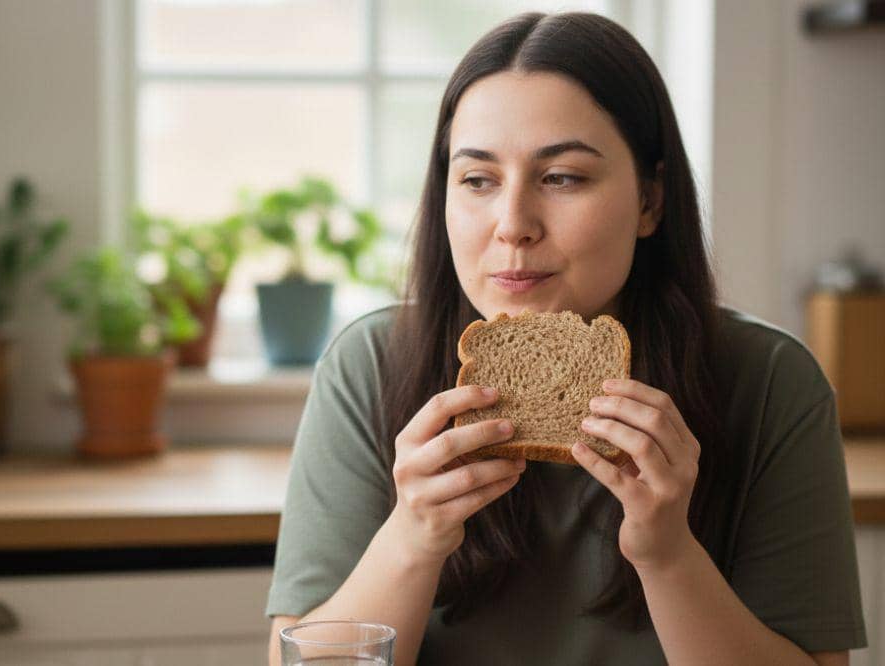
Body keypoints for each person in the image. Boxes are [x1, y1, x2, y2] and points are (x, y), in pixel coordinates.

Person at [265, 11, 867, 666]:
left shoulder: (772, 381)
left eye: (562, 177)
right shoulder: (370, 366)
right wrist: (412, 538)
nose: (513, 224)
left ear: (650, 201)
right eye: (477, 180)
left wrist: (668, 556)